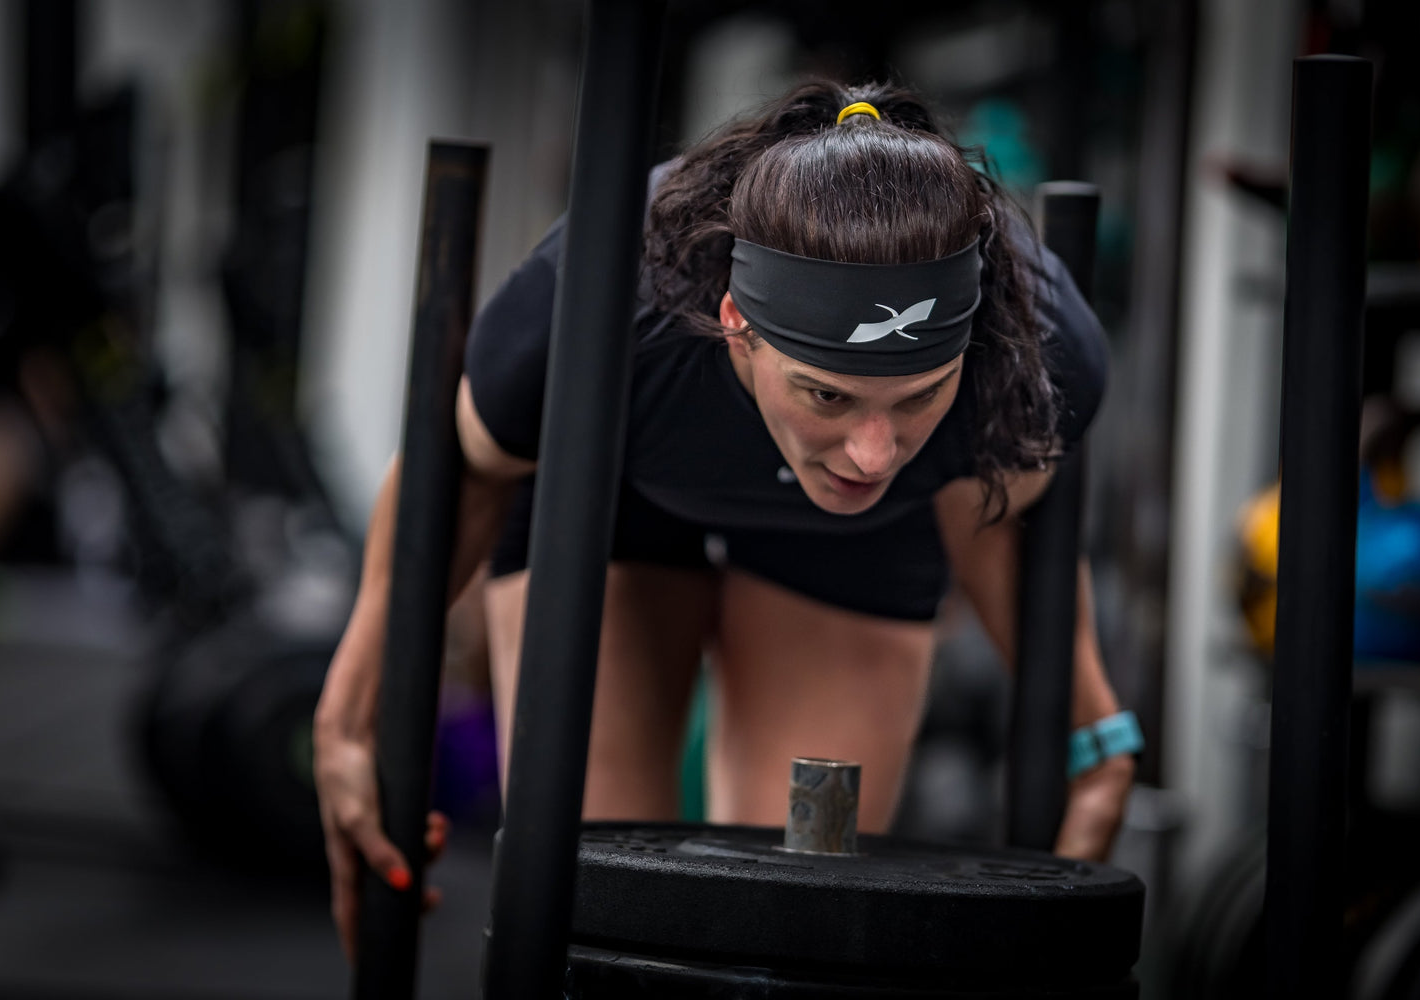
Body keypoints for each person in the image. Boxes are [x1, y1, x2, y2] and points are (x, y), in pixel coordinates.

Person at [313, 80, 1138, 959]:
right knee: (599, 907)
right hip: (613, 496)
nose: (874, 448)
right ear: (737, 324)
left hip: (857, 538)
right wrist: (348, 714)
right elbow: (461, 479)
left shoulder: (1036, 356)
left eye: (917, 398)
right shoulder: (596, 307)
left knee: (795, 926)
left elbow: (993, 524)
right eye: (829, 393)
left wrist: (1099, 735)